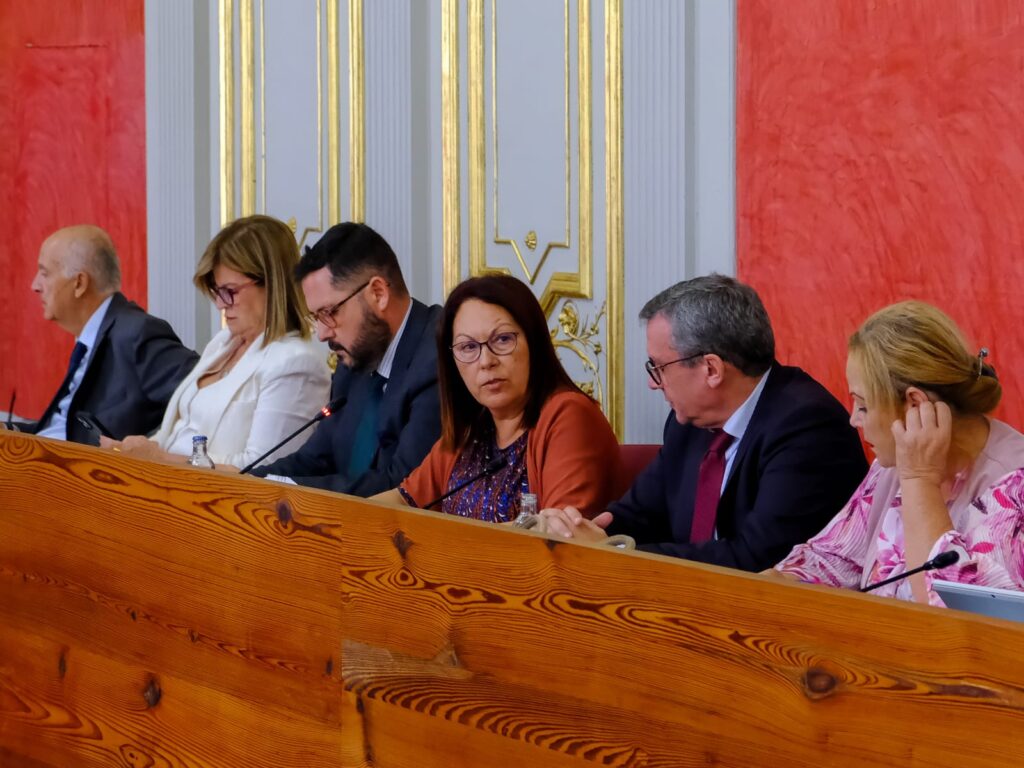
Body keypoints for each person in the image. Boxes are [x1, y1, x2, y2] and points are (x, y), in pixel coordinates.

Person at [534, 274, 867, 571]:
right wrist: (575, 531)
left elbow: (757, 559)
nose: (654, 383)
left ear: (711, 369)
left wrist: (614, 553)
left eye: (659, 367)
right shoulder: (688, 423)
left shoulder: (808, 429)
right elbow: (639, 514)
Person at [773, 301, 1024, 605]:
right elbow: (833, 559)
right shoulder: (891, 463)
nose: (854, 420)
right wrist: (769, 585)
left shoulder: (1013, 486)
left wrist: (920, 480)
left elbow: (961, 621)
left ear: (915, 404)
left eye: (863, 405)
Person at [372, 275, 627, 522]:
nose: (486, 362)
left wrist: (449, 546)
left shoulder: (568, 416)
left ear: (534, 342)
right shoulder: (471, 430)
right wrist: (340, 518)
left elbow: (559, 538)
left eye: (503, 339)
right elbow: (402, 501)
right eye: (468, 347)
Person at [103, 215, 330, 468]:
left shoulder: (296, 363)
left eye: (230, 291)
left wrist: (160, 460)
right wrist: (128, 451)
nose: (221, 304)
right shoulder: (223, 343)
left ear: (271, 284)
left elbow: (262, 470)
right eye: (217, 292)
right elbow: (178, 432)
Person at [249, 222, 442, 495]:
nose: (322, 334)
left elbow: (402, 488)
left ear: (378, 293)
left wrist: (289, 489)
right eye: (316, 317)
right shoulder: (355, 360)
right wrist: (248, 485)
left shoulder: (438, 360)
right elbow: (315, 459)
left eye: (329, 313)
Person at [21, 225, 198, 443]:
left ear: (79, 283)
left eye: (45, 273)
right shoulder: (90, 338)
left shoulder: (136, 332)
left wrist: (156, 450)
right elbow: (64, 429)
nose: (35, 285)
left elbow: (200, 398)